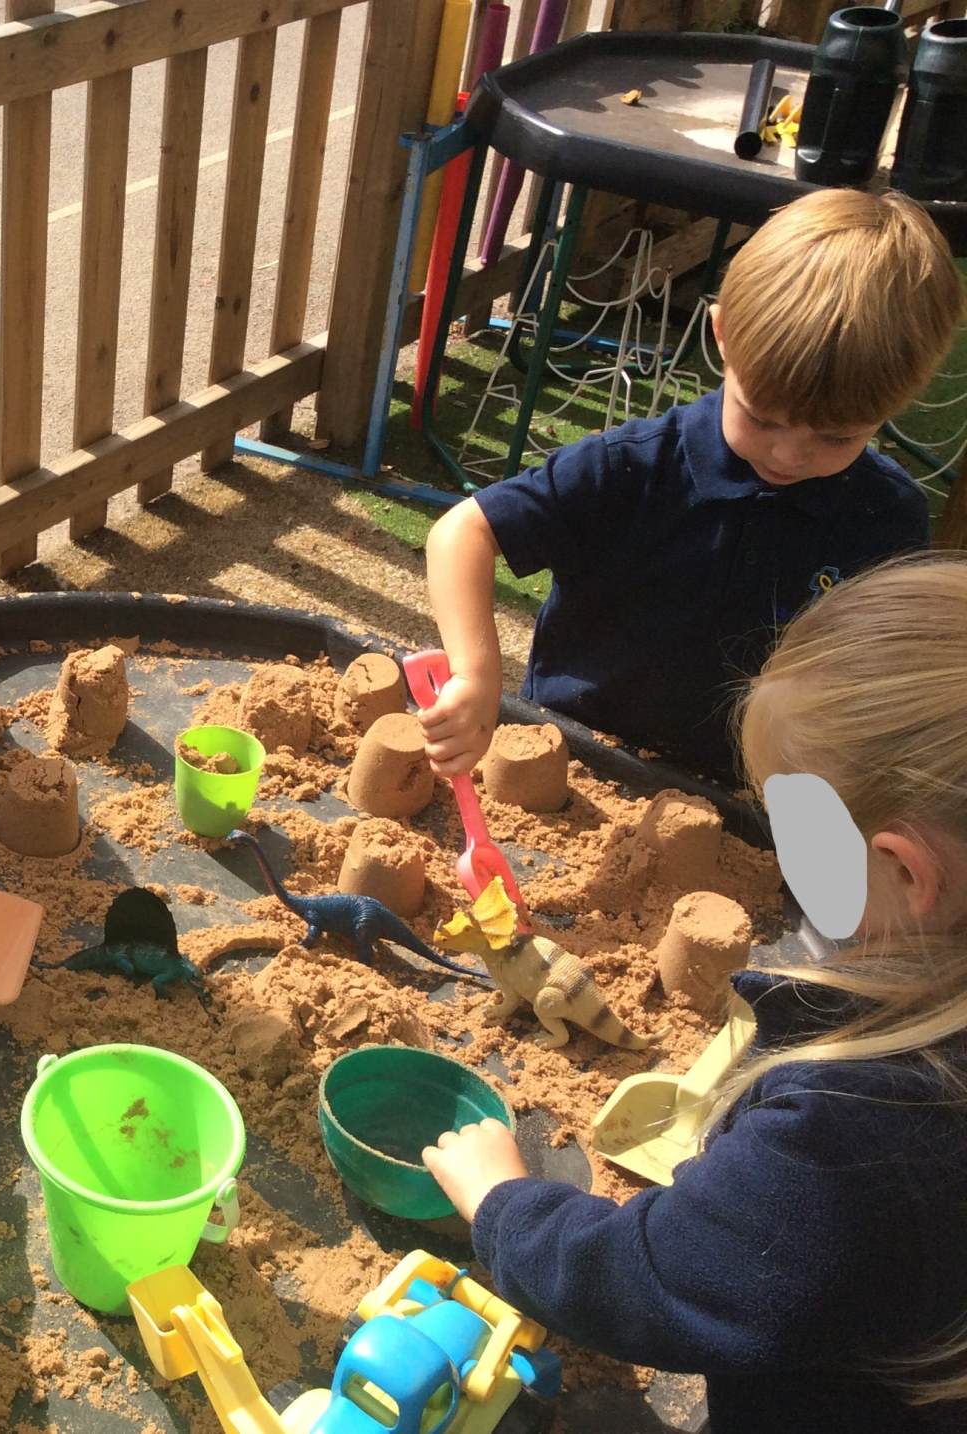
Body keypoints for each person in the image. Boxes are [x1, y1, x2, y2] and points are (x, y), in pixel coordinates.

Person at [423, 551, 967, 1433]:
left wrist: (505, 1205)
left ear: (906, 874)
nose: (787, 862)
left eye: (797, 829)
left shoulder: (855, 1135)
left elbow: (649, 1278)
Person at [418, 188, 962, 780]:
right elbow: (463, 533)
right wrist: (476, 674)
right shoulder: (633, 467)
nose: (788, 455)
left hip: (758, 788)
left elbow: (881, 672)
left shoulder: (886, 517)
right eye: (761, 419)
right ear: (722, 333)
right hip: (577, 755)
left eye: (837, 437)